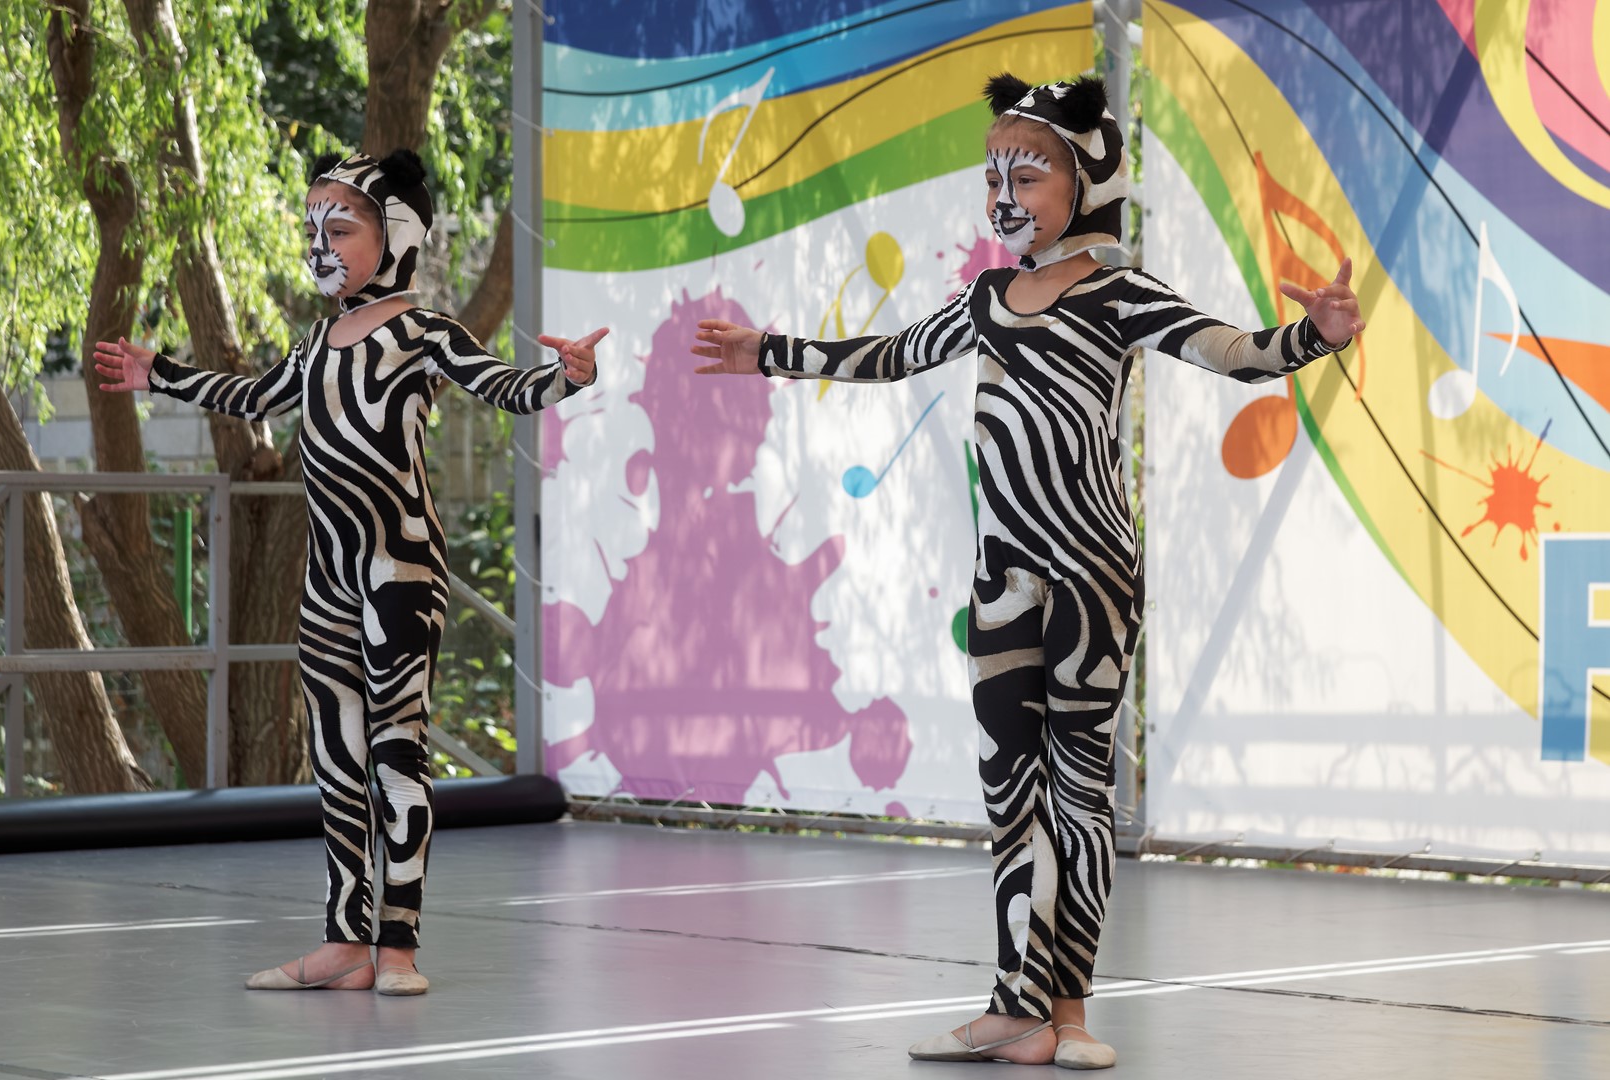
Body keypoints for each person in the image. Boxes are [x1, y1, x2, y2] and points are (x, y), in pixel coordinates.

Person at [689, 74, 1363, 1067]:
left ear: (1086, 181)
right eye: (992, 175)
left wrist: (1315, 336)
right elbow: (895, 354)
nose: (1003, 193)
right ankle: (1017, 1007)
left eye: (1028, 174)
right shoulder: (987, 298)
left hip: (1093, 573)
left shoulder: (1121, 294)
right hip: (1001, 576)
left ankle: (1072, 1011)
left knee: (1078, 791)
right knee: (1011, 789)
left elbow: (1232, 353)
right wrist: (771, 352)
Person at [95, 149, 606, 996]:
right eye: (312, 230)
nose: (319, 246)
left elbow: (505, 387)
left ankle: (397, 945)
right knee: (336, 759)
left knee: (397, 751)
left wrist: (567, 376)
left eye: (339, 229)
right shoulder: (317, 343)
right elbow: (256, 395)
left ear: (395, 235)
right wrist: (164, 375)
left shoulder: (424, 333)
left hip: (400, 569)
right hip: (328, 579)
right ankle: (344, 940)